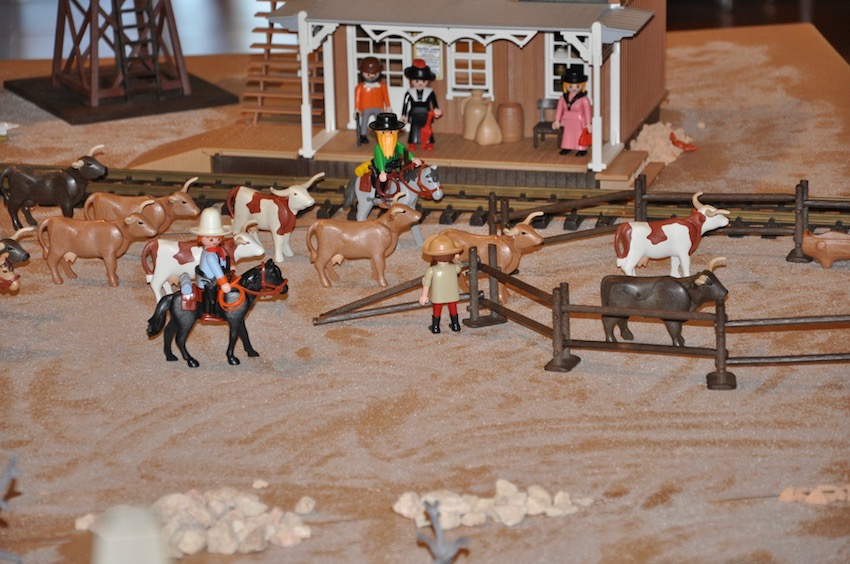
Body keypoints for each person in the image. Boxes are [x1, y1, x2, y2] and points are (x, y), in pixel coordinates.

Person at [179, 207, 233, 317]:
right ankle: (211, 312)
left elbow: (222, 262)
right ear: (201, 238)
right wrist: (224, 283)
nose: (215, 241)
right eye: (211, 239)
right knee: (212, 296)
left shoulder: (215, 250)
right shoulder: (210, 256)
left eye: (218, 238)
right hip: (208, 282)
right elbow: (217, 271)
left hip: (210, 279)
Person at [368, 112, 421, 199]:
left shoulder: (397, 144)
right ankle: (379, 195)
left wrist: (412, 158)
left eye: (391, 132)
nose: (387, 135)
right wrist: (382, 171)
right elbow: (380, 160)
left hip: (396, 167)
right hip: (382, 169)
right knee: (380, 180)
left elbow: (404, 150)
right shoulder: (378, 148)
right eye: (383, 132)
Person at [419, 234, 464, 334]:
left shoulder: (432, 270)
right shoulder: (454, 268)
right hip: (452, 295)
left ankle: (435, 327)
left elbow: (426, 283)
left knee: (437, 309)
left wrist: (424, 296)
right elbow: (459, 266)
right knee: (453, 308)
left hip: (438, 296)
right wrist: (457, 259)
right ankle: (456, 325)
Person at [400, 59, 442, 150]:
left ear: (427, 81)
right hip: (414, 113)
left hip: (426, 114)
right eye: (417, 81)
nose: (420, 83)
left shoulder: (430, 92)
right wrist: (404, 115)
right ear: (411, 80)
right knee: (414, 128)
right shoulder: (409, 93)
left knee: (428, 128)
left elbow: (434, 103)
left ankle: (429, 142)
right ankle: (413, 142)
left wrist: (436, 109)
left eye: (423, 81)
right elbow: (405, 104)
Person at [552, 64, 592, 157]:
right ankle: (567, 147)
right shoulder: (563, 98)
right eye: (571, 86)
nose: (574, 88)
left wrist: (588, 123)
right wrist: (557, 120)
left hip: (579, 120)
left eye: (577, 86)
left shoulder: (584, 99)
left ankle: (582, 148)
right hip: (567, 119)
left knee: (579, 133)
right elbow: (559, 110)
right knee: (567, 134)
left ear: (582, 86)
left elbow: (587, 112)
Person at [354, 56, 391, 145]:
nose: (371, 76)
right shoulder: (360, 87)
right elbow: (357, 99)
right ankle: (363, 135)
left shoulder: (382, 86)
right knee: (364, 122)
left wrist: (388, 106)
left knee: (380, 123)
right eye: (368, 74)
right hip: (366, 107)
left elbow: (386, 97)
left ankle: (381, 135)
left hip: (378, 107)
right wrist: (357, 109)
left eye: (374, 73)